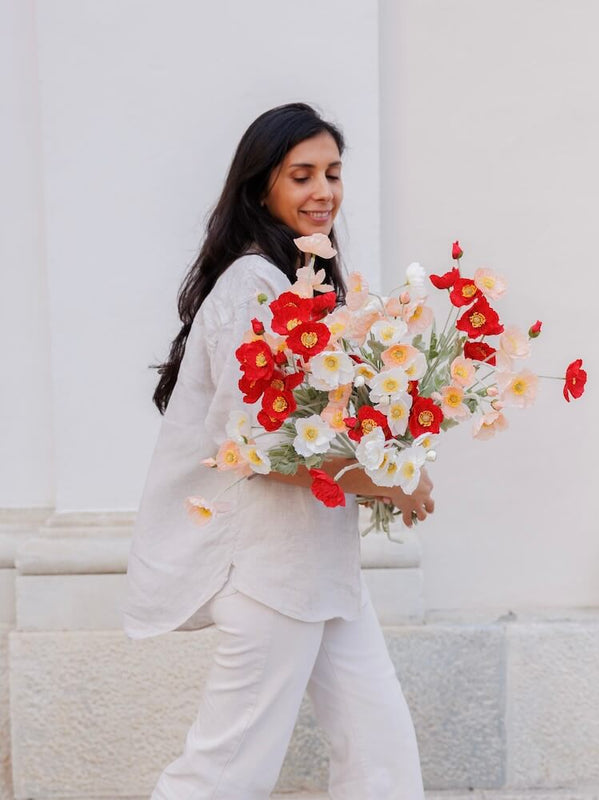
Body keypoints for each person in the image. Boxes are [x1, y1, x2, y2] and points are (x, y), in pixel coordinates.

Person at [123, 102, 433, 799]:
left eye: (332, 172)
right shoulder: (251, 286)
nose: (324, 191)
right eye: (302, 175)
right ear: (261, 186)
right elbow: (259, 446)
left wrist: (393, 454)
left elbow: (323, 426)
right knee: (224, 772)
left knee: (381, 756)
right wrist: (390, 481)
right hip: (267, 572)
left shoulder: (308, 288)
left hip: (322, 569)